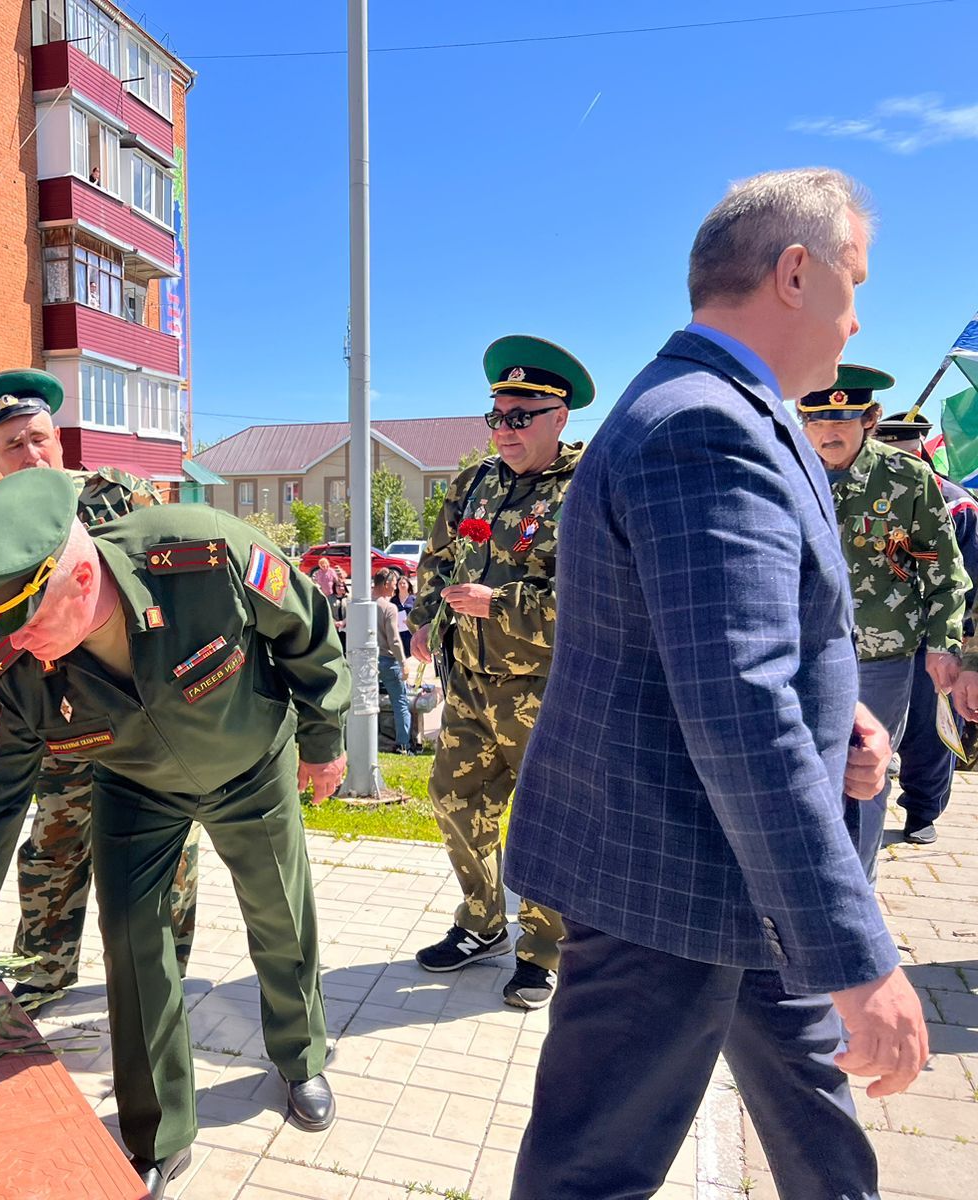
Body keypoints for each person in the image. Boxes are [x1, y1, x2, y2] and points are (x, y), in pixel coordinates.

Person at [504, 168, 927, 1200]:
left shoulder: (736, 408)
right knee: (590, 1174)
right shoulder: (705, 423)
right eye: (853, 280)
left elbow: (739, 646)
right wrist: (859, 954)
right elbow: (738, 703)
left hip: (733, 872)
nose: (859, 313)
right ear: (793, 273)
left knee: (819, 1117)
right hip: (667, 877)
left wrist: (843, 718)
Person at [0, 468, 350, 1198]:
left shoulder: (201, 555)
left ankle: (301, 1058)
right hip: (137, 789)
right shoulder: (15, 671)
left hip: (252, 764)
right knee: (135, 945)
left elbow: (306, 629)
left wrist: (324, 742)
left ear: (79, 573)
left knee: (279, 917)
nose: (19, 644)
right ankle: (159, 1134)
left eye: (28, 619)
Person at [0, 368, 203, 1009]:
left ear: (58, 438)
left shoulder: (118, 499)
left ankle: (166, 978)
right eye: (15, 445)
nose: (33, 454)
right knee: (51, 851)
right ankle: (45, 974)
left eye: (40, 438)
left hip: (146, 724)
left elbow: (182, 589)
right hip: (55, 730)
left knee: (168, 854)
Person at [407, 334, 590, 1011]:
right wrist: (426, 617)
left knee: (543, 822)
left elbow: (598, 597)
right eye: (497, 417)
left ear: (559, 416)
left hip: (547, 688)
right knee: (453, 802)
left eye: (521, 417)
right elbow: (437, 554)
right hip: (471, 684)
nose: (505, 430)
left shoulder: (586, 490)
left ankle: (542, 950)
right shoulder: (475, 483)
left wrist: (498, 604)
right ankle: (482, 923)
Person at [797, 367, 967, 878]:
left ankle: (856, 896)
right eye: (818, 417)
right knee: (795, 774)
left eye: (845, 417)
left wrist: (944, 643)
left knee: (863, 776)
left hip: (880, 656)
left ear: (868, 419)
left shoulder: (905, 478)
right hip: (796, 655)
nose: (831, 430)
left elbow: (942, 566)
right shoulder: (783, 471)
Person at [876, 409, 978, 843]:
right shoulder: (862, 496)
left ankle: (922, 810)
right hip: (873, 637)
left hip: (937, 637)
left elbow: (971, 577)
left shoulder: (958, 504)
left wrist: (966, 649)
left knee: (930, 726)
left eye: (908, 454)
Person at [372, 569, 413, 753]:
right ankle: (403, 744)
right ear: (385, 584)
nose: (395, 588)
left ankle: (367, 740)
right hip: (388, 661)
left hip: (366, 661)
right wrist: (403, 662)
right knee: (400, 702)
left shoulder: (360, 604)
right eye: (394, 584)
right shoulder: (389, 608)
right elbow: (394, 639)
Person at [394, 572, 416, 658]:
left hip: (411, 632)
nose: (402, 585)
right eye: (400, 583)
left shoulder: (414, 599)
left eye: (404, 583)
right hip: (398, 633)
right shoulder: (393, 600)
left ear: (408, 585)